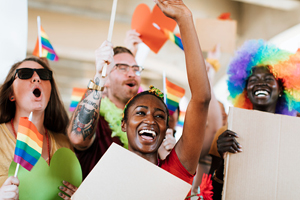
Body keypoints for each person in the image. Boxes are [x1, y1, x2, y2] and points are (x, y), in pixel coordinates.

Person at [120, 0, 211, 185]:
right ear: (123, 124)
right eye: (140, 112)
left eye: (160, 116)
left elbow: (201, 99)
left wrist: (184, 19)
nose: (150, 120)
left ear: (166, 129)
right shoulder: (106, 180)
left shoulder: (175, 170)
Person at [208, 39, 300, 199]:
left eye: (269, 79)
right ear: (245, 91)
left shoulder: (293, 134)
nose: (260, 84)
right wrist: (224, 163)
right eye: (253, 80)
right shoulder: (227, 132)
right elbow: (210, 194)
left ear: (281, 88)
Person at [0, 57, 72, 199]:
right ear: (11, 94)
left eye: (44, 75)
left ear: (50, 93)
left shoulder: (64, 144)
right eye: (25, 74)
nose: (37, 79)